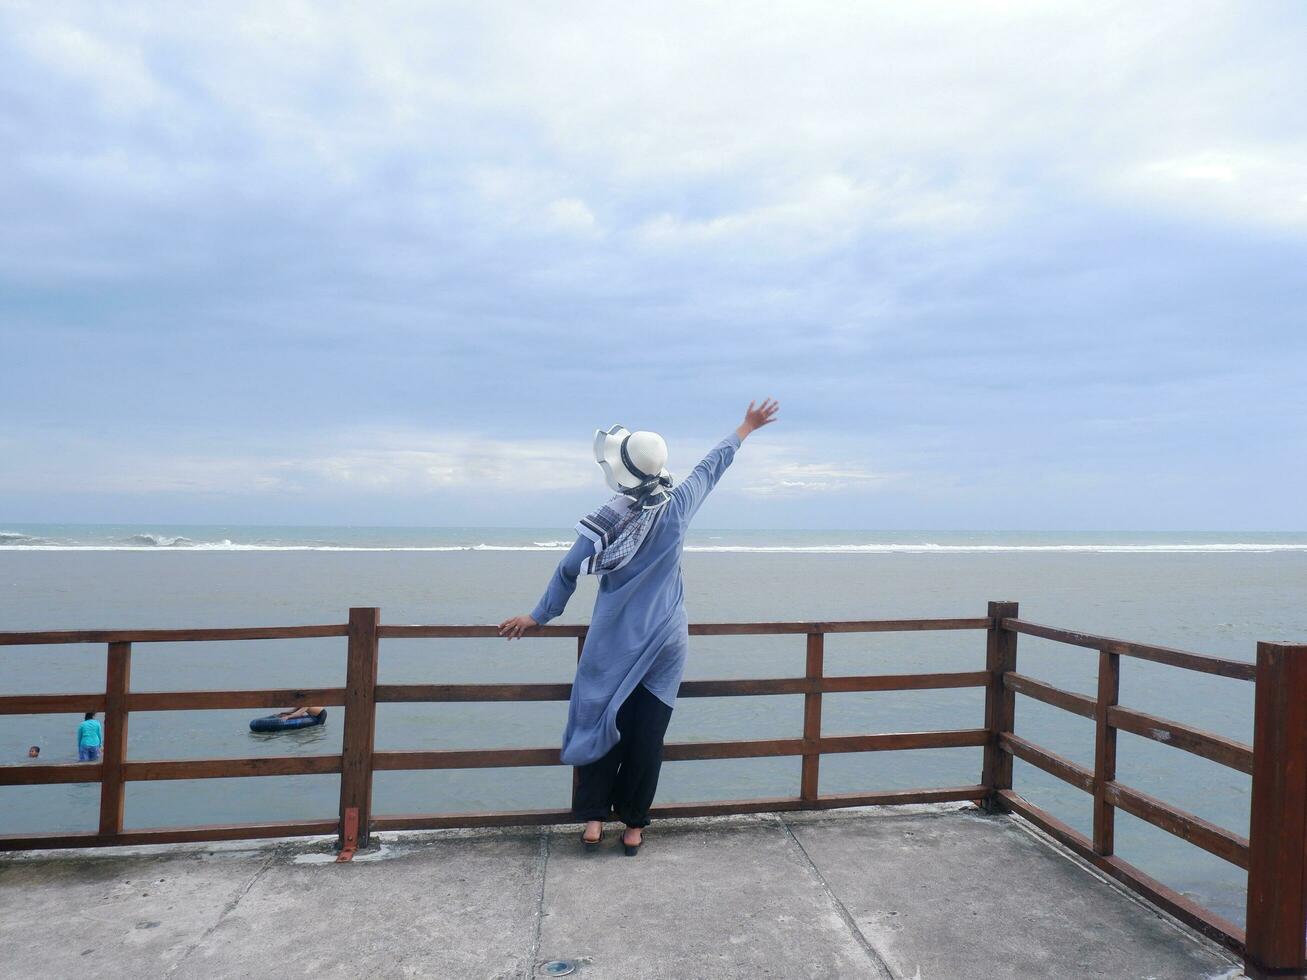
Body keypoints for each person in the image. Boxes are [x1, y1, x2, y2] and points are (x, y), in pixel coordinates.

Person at [499, 399, 780, 855]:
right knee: (648, 735)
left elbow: (569, 569)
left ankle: (593, 821)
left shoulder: (605, 523)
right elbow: (712, 466)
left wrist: (539, 616)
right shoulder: (677, 507)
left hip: (613, 643)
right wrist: (745, 427)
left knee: (598, 722)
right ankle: (633, 827)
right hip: (666, 641)